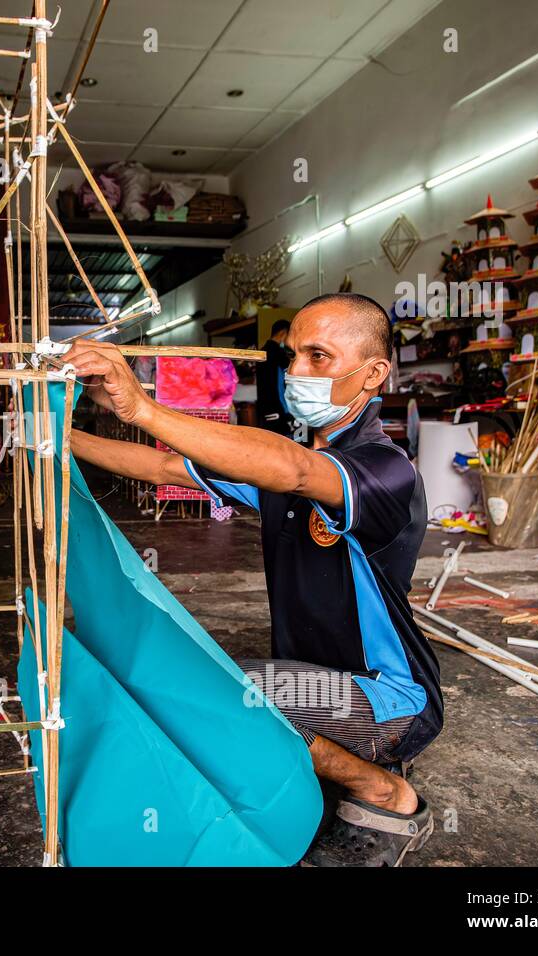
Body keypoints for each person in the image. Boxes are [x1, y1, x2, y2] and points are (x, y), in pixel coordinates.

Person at [66, 292, 441, 867]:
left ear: (374, 374)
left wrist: (143, 408)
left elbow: (295, 471)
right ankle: (330, 752)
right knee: (199, 682)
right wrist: (54, 440)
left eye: (320, 356)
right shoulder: (278, 464)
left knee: (218, 690)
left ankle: (382, 789)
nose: (297, 372)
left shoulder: (384, 470)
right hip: (318, 679)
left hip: (391, 696)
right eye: (292, 356)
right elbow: (167, 467)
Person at [255, 318, 293, 436]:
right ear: (283, 333)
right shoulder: (279, 354)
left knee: (270, 441)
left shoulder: (262, 352)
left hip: (265, 408)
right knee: (290, 442)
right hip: (280, 408)